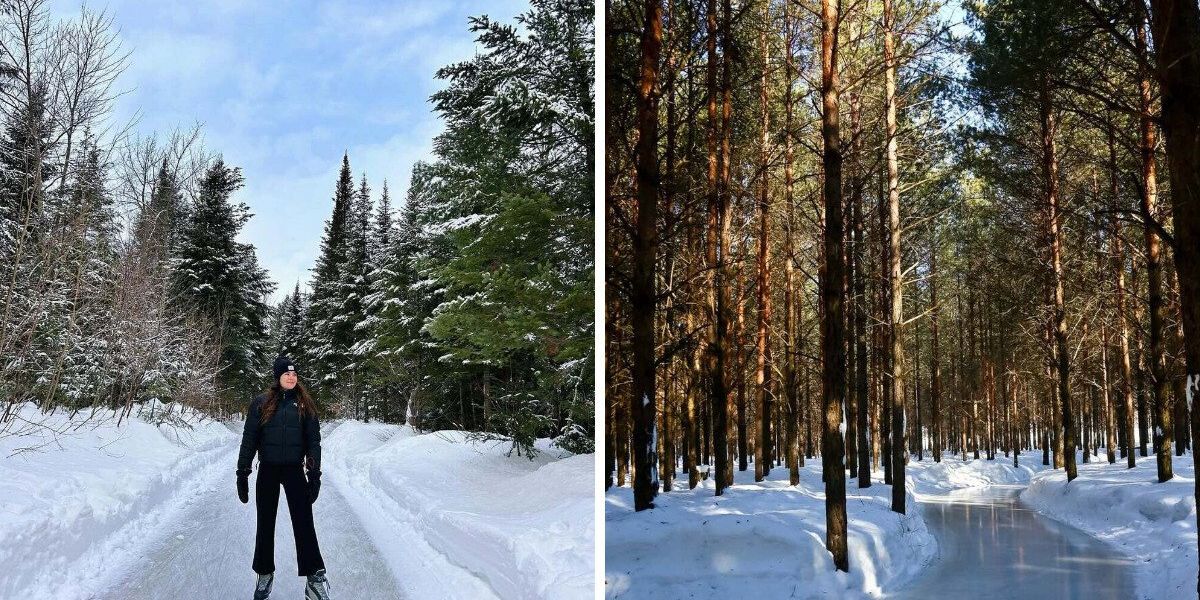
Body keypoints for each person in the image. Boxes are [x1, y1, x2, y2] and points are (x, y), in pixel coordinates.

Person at [236, 356, 331, 600]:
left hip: (294, 471)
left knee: (304, 521)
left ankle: (314, 577)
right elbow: (249, 439)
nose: (291, 377)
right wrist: (243, 472)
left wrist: (314, 474)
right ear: (278, 377)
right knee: (265, 523)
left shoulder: (304, 404)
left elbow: (313, 442)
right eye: (287, 373)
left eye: (295, 374)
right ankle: (264, 573)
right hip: (267, 469)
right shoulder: (261, 403)